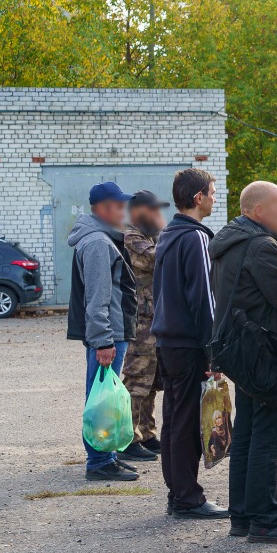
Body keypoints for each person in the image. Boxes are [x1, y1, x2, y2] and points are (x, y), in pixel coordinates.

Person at [210, 181, 277, 544]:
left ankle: (242, 516)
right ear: (258, 210)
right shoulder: (262, 246)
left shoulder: (229, 241)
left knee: (245, 433)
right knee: (266, 438)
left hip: (239, 350)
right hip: (263, 351)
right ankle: (265, 519)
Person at [151, 167, 225, 519]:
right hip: (187, 344)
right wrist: (214, 349)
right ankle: (187, 497)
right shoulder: (195, 237)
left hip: (168, 340)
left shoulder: (168, 234)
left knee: (174, 418)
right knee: (185, 421)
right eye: (212, 192)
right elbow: (204, 299)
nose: (215, 197)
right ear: (198, 197)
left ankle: (178, 491)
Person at [67, 181, 140, 482]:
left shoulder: (101, 238)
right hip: (109, 335)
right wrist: (103, 341)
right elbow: (97, 298)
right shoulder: (97, 242)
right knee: (100, 397)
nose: (124, 212)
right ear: (104, 208)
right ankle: (98, 460)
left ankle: (106, 455)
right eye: (119, 206)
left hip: (112, 332)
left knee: (105, 396)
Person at [121, 191, 170, 459]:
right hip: (139, 320)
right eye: (154, 211)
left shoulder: (150, 234)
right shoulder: (130, 236)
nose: (159, 216)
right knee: (137, 379)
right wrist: (167, 233)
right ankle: (128, 438)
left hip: (153, 317)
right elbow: (155, 258)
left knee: (151, 380)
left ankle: (146, 432)